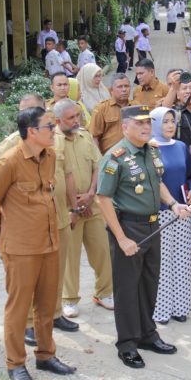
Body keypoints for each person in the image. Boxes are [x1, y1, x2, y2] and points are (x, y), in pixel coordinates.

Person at [0, 106, 77, 380]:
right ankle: (15, 363)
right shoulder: (8, 162)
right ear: (32, 131)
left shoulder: (49, 156)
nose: (54, 131)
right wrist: (3, 234)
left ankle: (46, 355)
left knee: (47, 305)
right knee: (19, 307)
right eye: (49, 126)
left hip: (49, 243)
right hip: (21, 248)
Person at [96, 105, 191, 369]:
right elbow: (103, 199)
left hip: (153, 226)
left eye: (148, 123)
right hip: (128, 228)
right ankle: (127, 343)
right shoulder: (115, 157)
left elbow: (157, 182)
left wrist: (173, 204)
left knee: (149, 283)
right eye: (139, 124)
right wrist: (121, 238)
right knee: (127, 288)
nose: (146, 128)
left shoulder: (151, 150)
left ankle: (147, 334)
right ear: (125, 127)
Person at [52, 99, 115, 318]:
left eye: (78, 116)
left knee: (102, 250)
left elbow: (98, 166)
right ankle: (69, 299)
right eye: (71, 118)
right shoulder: (52, 142)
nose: (76, 121)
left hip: (92, 205)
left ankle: (104, 292)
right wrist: (75, 206)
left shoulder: (85, 136)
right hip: (69, 211)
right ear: (57, 120)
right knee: (70, 256)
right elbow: (58, 176)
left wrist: (89, 195)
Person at [149, 107, 191, 325]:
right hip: (161, 212)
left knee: (182, 259)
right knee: (163, 263)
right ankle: (161, 309)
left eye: (172, 121)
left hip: (183, 210)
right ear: (155, 123)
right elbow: (154, 181)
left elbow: (189, 174)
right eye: (164, 121)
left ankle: (180, 307)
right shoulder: (150, 148)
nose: (169, 125)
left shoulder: (181, 146)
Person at [163, 74, 191, 277]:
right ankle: (178, 255)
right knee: (182, 211)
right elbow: (162, 115)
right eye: (184, 88)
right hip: (182, 172)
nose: (188, 91)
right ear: (178, 92)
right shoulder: (174, 115)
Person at [90, 73, 133, 154]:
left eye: (126, 86)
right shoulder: (101, 109)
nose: (124, 89)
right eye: (120, 87)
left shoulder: (135, 106)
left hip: (133, 156)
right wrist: (100, 160)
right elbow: (94, 137)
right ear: (111, 90)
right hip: (111, 158)